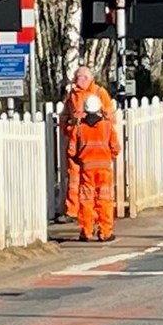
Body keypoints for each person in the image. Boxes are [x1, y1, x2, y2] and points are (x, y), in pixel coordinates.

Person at [57, 66, 116, 225]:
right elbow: (64, 116)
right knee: (75, 181)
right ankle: (73, 211)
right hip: (78, 144)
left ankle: (92, 223)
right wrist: (67, 130)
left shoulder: (99, 92)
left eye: (81, 77)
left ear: (89, 78)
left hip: (91, 148)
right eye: (76, 77)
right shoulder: (73, 95)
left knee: (95, 191)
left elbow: (110, 118)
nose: (78, 80)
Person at [70, 93, 121, 242]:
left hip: (86, 169)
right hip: (104, 169)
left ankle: (86, 231)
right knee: (104, 200)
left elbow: (72, 151)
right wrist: (108, 156)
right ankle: (105, 232)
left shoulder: (79, 128)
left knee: (86, 201)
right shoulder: (107, 127)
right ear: (99, 108)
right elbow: (116, 148)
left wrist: (81, 159)